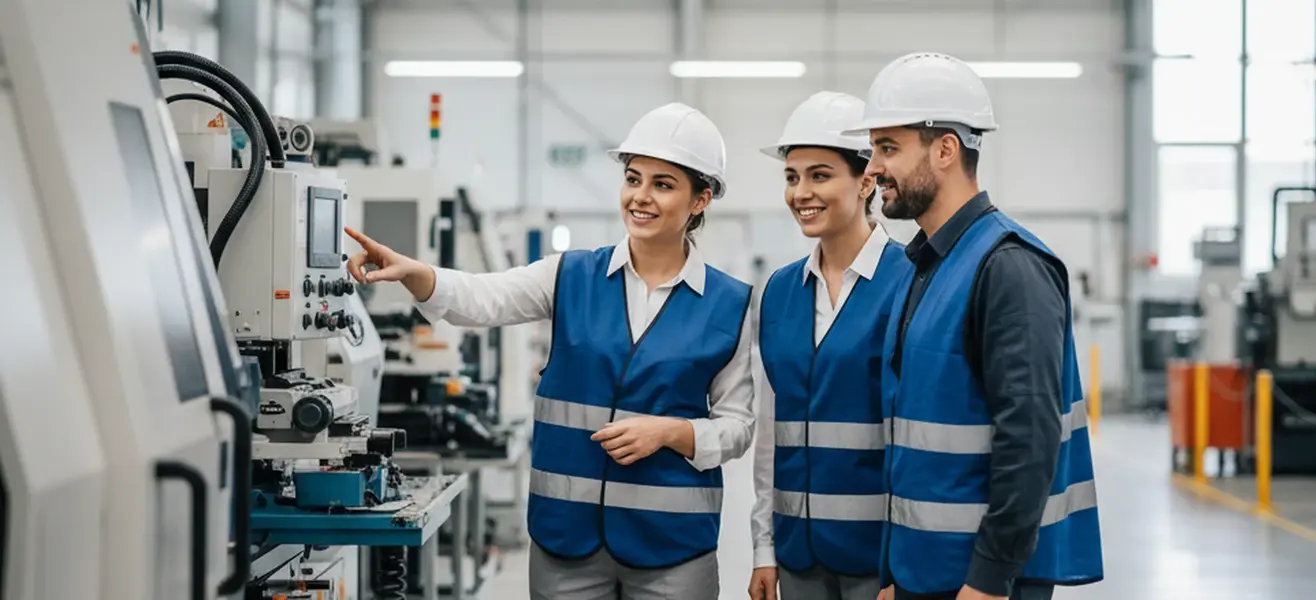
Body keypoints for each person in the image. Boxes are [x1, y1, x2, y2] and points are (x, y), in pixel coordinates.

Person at [344, 102, 756, 600]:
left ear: (700, 199)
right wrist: (417, 274)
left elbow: (737, 426)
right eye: (633, 179)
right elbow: (484, 297)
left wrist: (672, 432)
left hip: (672, 547)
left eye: (663, 184)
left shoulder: (730, 304)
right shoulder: (568, 276)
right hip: (567, 544)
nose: (640, 197)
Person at [845, 53, 1105, 600]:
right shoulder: (927, 265)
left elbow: (1029, 439)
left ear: (945, 149)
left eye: (887, 147)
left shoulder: (1008, 268)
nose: (871, 168)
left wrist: (988, 579)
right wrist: (897, 572)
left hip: (982, 583)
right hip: (926, 572)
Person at [746, 91, 912, 600]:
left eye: (820, 175)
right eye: (792, 177)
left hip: (880, 558)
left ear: (867, 181)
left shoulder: (913, 280)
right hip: (800, 556)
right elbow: (772, 429)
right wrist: (763, 548)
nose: (801, 192)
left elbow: (920, 441)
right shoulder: (778, 292)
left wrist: (906, 565)